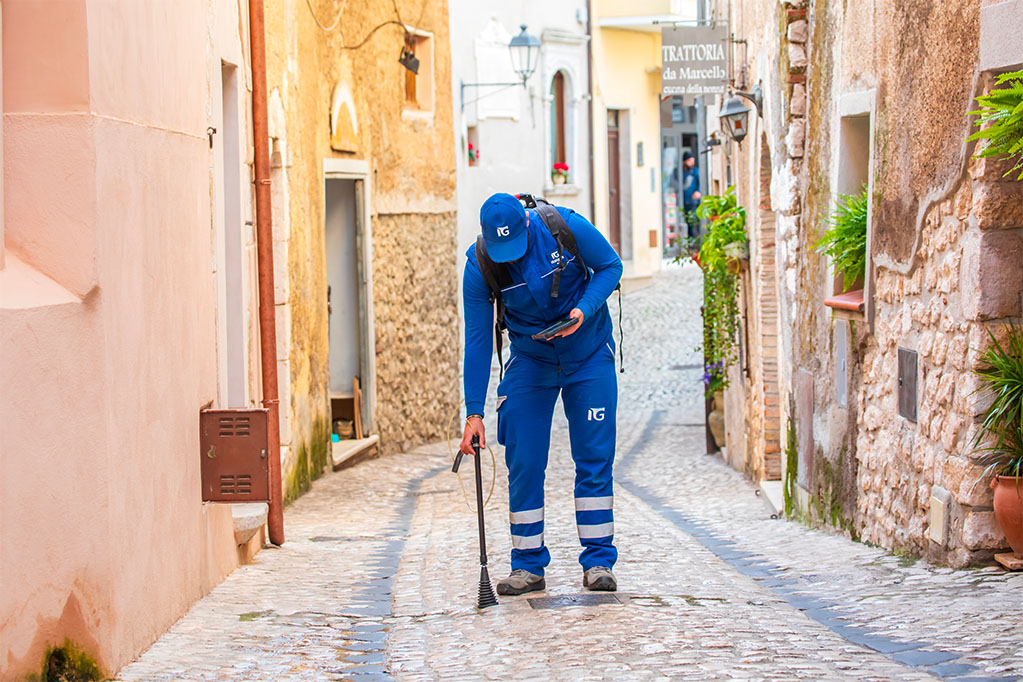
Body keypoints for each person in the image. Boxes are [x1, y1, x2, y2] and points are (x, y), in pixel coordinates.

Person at [460, 193, 624, 595]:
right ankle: (528, 566)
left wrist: (584, 309)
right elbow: (479, 341)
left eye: (514, 245)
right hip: (530, 360)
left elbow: (610, 266)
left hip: (588, 354)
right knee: (525, 461)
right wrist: (474, 413)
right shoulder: (479, 266)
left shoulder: (563, 226)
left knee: (593, 457)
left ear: (527, 224)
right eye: (501, 250)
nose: (509, 256)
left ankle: (599, 560)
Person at [681, 151, 702, 239]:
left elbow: (700, 184)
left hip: (693, 202)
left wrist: (698, 191)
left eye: (693, 160)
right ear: (684, 161)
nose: (692, 162)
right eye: (690, 160)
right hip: (682, 202)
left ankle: (693, 242)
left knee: (693, 223)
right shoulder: (679, 172)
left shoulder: (696, 172)